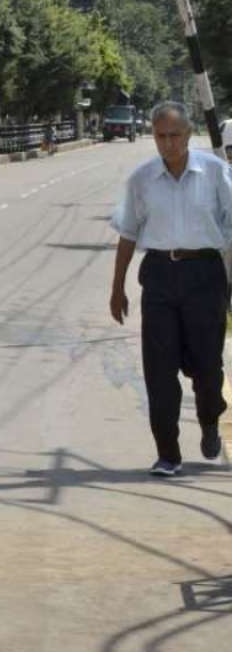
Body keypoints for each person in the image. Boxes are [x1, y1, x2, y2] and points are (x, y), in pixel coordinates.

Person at [109, 101, 232, 475]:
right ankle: (168, 454)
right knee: (159, 371)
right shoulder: (142, 179)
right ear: (153, 136)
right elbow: (128, 233)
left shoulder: (215, 173)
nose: (168, 143)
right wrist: (117, 288)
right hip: (160, 277)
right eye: (160, 136)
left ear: (188, 134)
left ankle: (210, 419)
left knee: (208, 368)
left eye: (175, 135)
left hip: (206, 275)